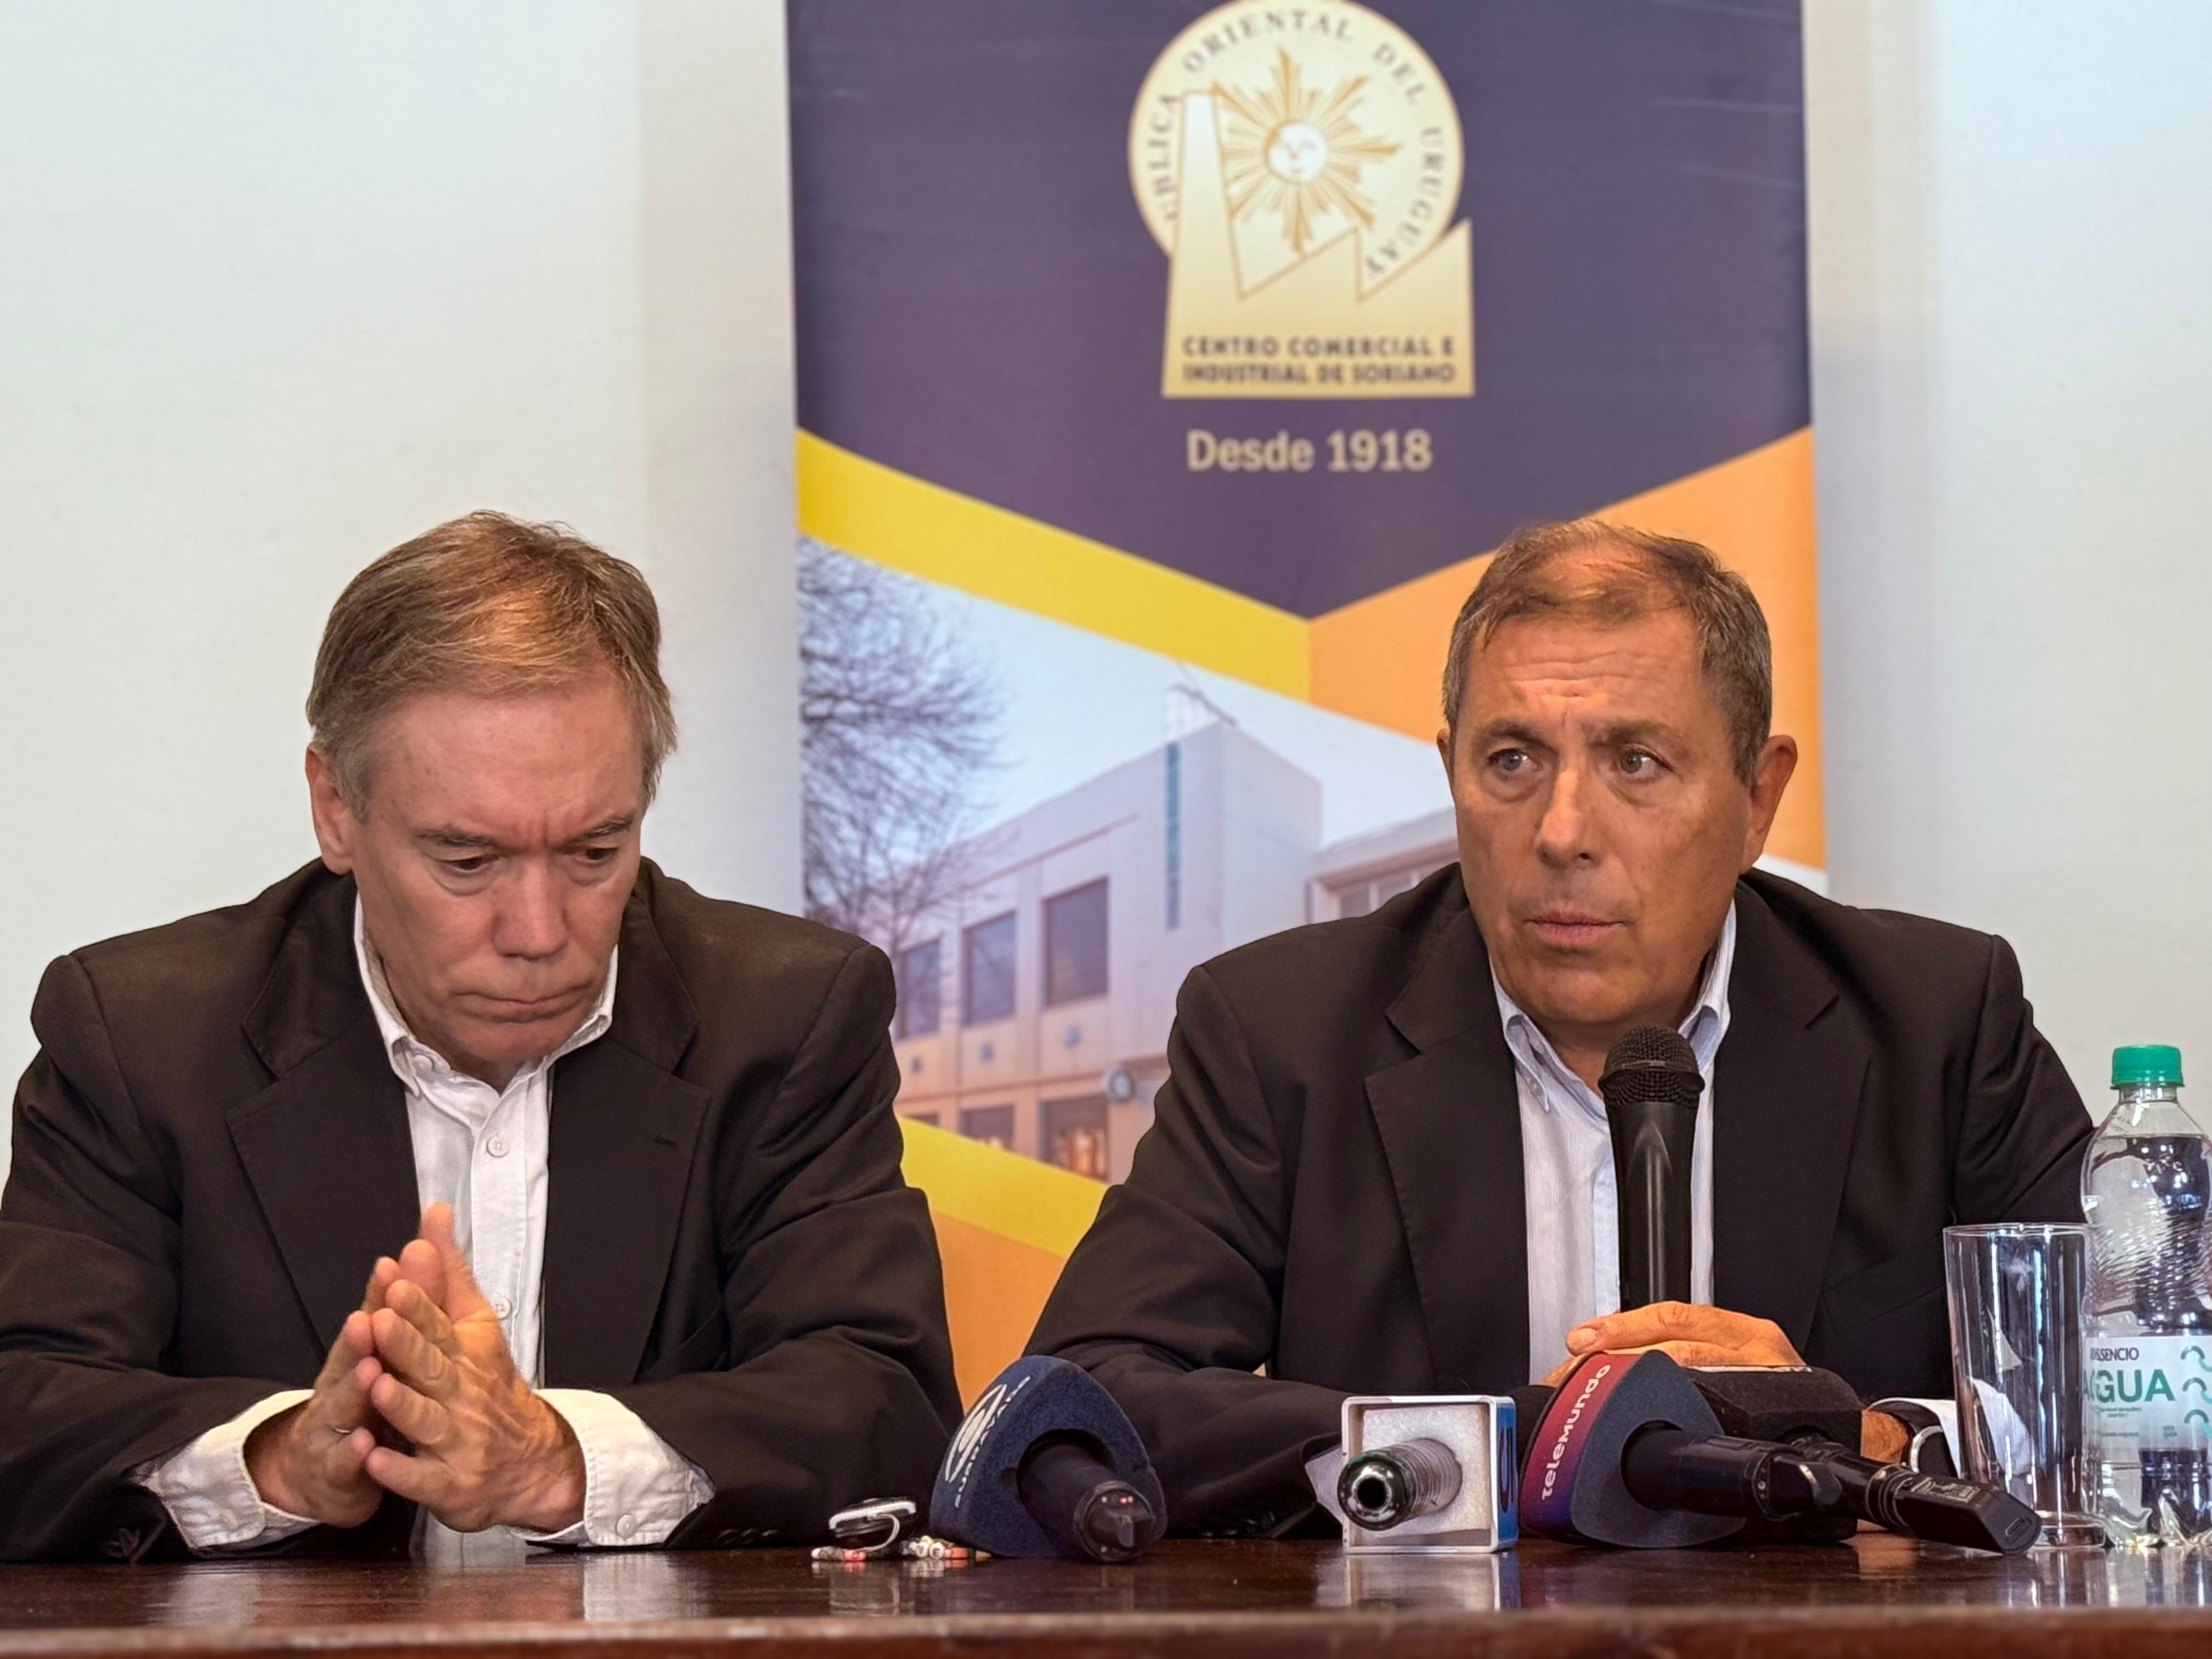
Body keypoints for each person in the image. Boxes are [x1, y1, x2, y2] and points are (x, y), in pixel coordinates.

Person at [1028, 519, 2093, 1537]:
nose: (1562, 830)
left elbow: (2139, 1380)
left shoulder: (1935, 1020)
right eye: (1512, 760)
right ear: (1452, 772)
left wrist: (1868, 1438)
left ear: (1758, 798)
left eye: (1636, 762)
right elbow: (1086, 1403)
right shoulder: (1280, 1033)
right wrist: (1515, 1446)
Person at [0, 512, 961, 1562]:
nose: (539, 932)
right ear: (335, 809)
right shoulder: (142, 1038)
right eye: (468, 861)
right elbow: (27, 1409)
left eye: (595, 850)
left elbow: (887, 1407)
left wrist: (555, 1461)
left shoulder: (787, 1018)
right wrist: (275, 1462)